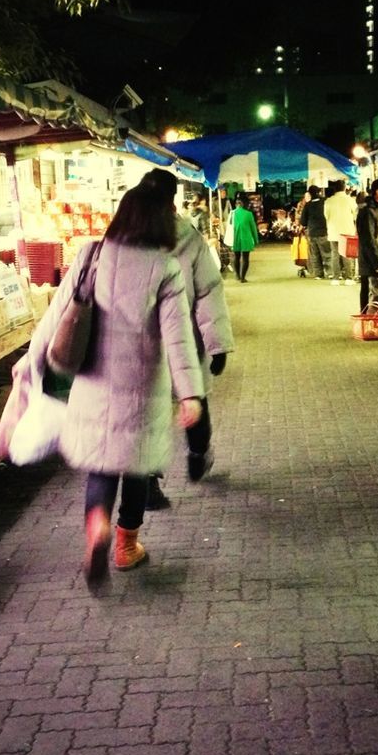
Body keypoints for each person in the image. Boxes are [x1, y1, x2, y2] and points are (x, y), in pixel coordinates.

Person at [23, 182, 204, 582]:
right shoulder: (165, 268)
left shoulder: (91, 254)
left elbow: (56, 317)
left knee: (101, 467)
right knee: (136, 468)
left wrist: (30, 361)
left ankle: (97, 526)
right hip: (142, 390)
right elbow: (177, 338)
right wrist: (190, 393)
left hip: (93, 385)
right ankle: (125, 545)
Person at [140, 169, 236, 509]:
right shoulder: (189, 237)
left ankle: (147, 481)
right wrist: (218, 344)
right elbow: (209, 291)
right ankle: (197, 453)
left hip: (140, 341)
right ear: (172, 201)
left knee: (146, 411)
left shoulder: (123, 236)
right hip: (184, 335)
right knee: (193, 395)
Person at [355, 177, 378, 312]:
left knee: (367, 290)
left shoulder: (377, 209)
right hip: (370, 258)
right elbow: (368, 239)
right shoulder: (368, 211)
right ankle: (369, 322)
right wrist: (377, 263)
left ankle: (366, 320)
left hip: (371, 257)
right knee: (373, 292)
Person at [323, 179, 357, 285]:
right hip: (347, 231)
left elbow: (326, 216)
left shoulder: (328, 201)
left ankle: (336, 278)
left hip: (333, 231)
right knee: (347, 254)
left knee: (335, 254)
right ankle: (349, 278)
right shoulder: (350, 200)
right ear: (344, 188)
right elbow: (356, 215)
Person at [298, 185, 331, 279]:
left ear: (309, 194)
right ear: (319, 192)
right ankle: (330, 272)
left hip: (312, 232)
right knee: (327, 254)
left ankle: (318, 274)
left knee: (315, 254)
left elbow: (303, 221)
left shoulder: (308, 205)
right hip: (324, 231)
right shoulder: (325, 202)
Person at [229, 194, 259, 283]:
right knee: (245, 258)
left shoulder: (232, 213)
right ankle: (243, 277)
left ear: (236, 205)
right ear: (243, 205)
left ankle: (237, 275)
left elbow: (229, 227)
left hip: (235, 238)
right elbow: (253, 228)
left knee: (236, 257)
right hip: (246, 239)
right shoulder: (249, 214)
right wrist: (256, 240)